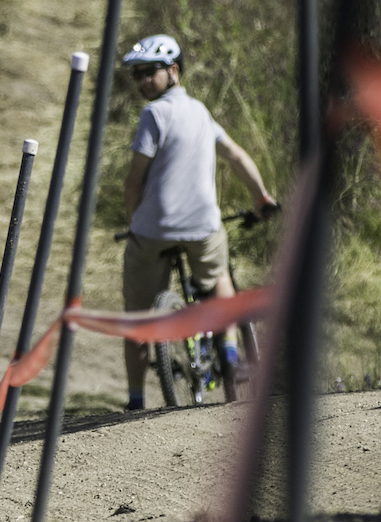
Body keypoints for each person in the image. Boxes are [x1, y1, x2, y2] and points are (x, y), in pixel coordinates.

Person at [119, 34, 279, 411]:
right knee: (219, 275)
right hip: (202, 227)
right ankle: (230, 355)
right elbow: (235, 156)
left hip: (152, 231)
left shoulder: (153, 115)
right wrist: (261, 199)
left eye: (149, 72)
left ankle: (136, 400)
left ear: (173, 71)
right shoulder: (202, 112)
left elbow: (134, 180)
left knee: (136, 317)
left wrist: (133, 221)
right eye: (137, 75)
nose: (142, 81)